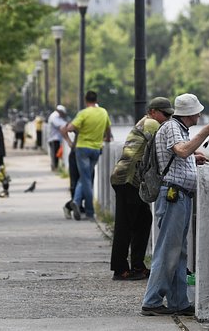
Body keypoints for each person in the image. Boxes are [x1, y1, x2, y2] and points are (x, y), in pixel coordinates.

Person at [140, 93, 209, 316]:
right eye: (198, 111)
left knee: (179, 252)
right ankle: (152, 301)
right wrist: (206, 131)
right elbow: (182, 150)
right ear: (191, 113)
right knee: (167, 250)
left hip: (181, 196)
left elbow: (180, 155)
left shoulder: (178, 128)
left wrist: (192, 159)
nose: (200, 114)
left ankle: (179, 302)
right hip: (173, 196)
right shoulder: (172, 127)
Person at [110, 97, 174, 281]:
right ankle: (121, 269)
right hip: (128, 179)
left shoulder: (149, 122)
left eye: (170, 115)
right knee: (126, 225)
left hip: (128, 179)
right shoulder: (151, 123)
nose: (168, 118)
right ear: (153, 111)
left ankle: (138, 265)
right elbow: (166, 147)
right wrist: (191, 155)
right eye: (165, 114)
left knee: (143, 220)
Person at [61, 91, 111, 221]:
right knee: (86, 178)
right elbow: (108, 132)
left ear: (85, 100)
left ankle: (88, 210)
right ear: (96, 99)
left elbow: (70, 128)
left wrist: (70, 138)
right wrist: (104, 138)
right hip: (96, 149)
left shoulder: (83, 113)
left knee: (85, 179)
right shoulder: (103, 112)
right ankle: (77, 203)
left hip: (82, 148)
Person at [47, 105, 68, 171]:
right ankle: (54, 167)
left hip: (56, 138)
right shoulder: (54, 116)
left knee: (56, 153)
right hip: (54, 138)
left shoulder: (57, 116)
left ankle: (55, 166)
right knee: (55, 154)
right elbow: (61, 124)